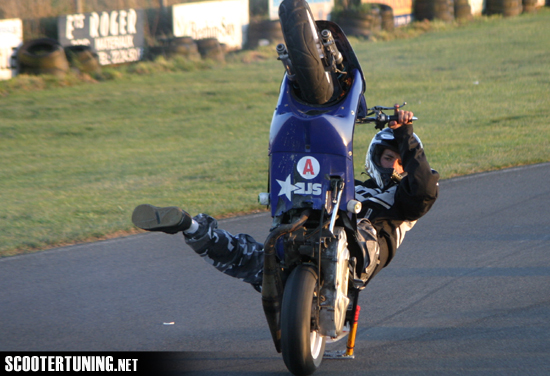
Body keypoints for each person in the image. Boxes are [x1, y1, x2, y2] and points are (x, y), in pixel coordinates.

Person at [131, 108, 439, 292]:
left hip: (359, 248)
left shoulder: (404, 202)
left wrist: (406, 137)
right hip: (311, 236)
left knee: (345, 236)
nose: (394, 167)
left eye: (401, 161)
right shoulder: (350, 184)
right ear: (375, 159)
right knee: (255, 257)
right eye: (388, 158)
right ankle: (190, 226)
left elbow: (424, 187)